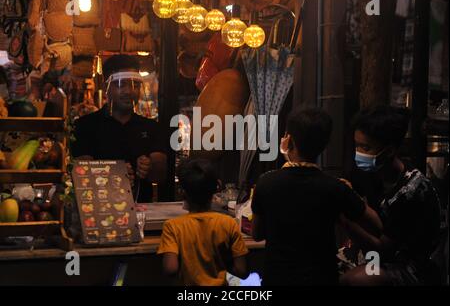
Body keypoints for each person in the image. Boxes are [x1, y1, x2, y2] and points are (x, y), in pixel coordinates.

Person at [251, 107, 382, 286]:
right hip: (321, 279)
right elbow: (376, 222)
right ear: (325, 144)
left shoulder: (265, 183)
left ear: (289, 140)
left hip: (277, 279)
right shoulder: (336, 187)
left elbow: (257, 235)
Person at [340, 106, 442, 286]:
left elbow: (383, 249)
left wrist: (346, 223)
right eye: (357, 146)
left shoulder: (411, 190)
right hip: (378, 252)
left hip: (411, 266)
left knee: (353, 280)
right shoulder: (371, 174)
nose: (359, 153)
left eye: (366, 147)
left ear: (389, 151)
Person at [71, 55, 167, 202]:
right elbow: (81, 173)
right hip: (98, 211)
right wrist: (113, 174)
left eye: (135, 85)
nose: (129, 91)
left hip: (141, 212)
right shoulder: (85, 126)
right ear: (106, 87)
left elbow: (160, 175)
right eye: (121, 85)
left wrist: (149, 166)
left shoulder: (151, 127)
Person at [157, 158, 249, 286]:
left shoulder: (172, 227)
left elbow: (170, 269)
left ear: (182, 191)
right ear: (216, 187)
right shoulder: (229, 223)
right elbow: (242, 271)